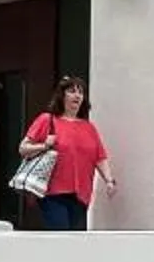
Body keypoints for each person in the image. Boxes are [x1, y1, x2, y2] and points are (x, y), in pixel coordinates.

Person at [19, 74, 114, 231]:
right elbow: (23, 149)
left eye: (80, 92)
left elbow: (100, 157)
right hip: (52, 193)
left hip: (81, 195)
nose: (77, 95)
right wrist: (44, 145)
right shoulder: (47, 120)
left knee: (75, 242)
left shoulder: (88, 128)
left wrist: (109, 181)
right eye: (72, 91)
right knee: (61, 236)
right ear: (62, 95)